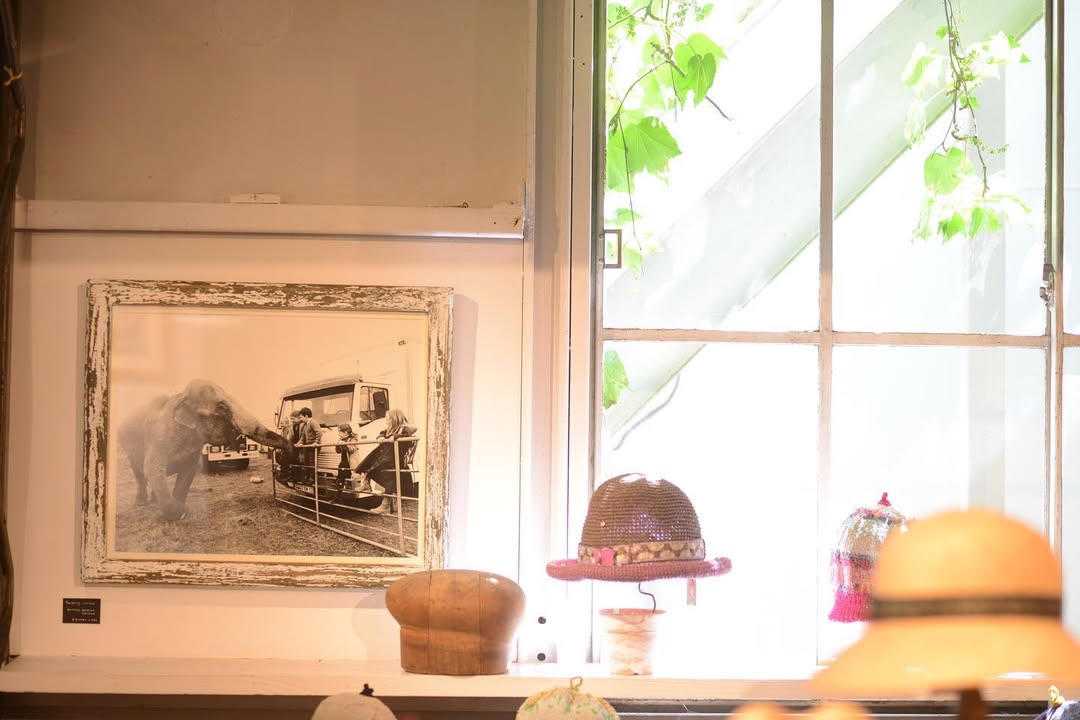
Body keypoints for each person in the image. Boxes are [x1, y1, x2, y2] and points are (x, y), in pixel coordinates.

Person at [354, 409, 417, 515]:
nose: (386, 420)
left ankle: (384, 505)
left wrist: (395, 437)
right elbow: (382, 433)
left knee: (381, 472)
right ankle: (366, 483)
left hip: (395, 459)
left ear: (394, 418)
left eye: (388, 418)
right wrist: (381, 436)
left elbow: (407, 435)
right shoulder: (390, 429)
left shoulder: (404, 428)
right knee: (369, 463)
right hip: (388, 457)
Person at [296, 407, 322, 481]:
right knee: (306, 461)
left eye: (301, 417)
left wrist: (316, 442)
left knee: (311, 462)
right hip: (308, 446)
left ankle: (312, 478)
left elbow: (319, 432)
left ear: (306, 416)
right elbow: (303, 436)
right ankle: (307, 477)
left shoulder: (313, 422)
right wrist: (299, 443)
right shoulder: (305, 425)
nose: (301, 419)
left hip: (313, 446)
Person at [334, 423, 360, 489]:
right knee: (340, 478)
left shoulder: (353, 439)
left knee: (348, 479)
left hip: (350, 463)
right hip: (343, 462)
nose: (338, 434)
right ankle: (339, 491)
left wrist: (344, 444)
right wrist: (337, 445)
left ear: (345, 432)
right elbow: (338, 451)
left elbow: (352, 450)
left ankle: (346, 488)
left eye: (340, 432)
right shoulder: (341, 439)